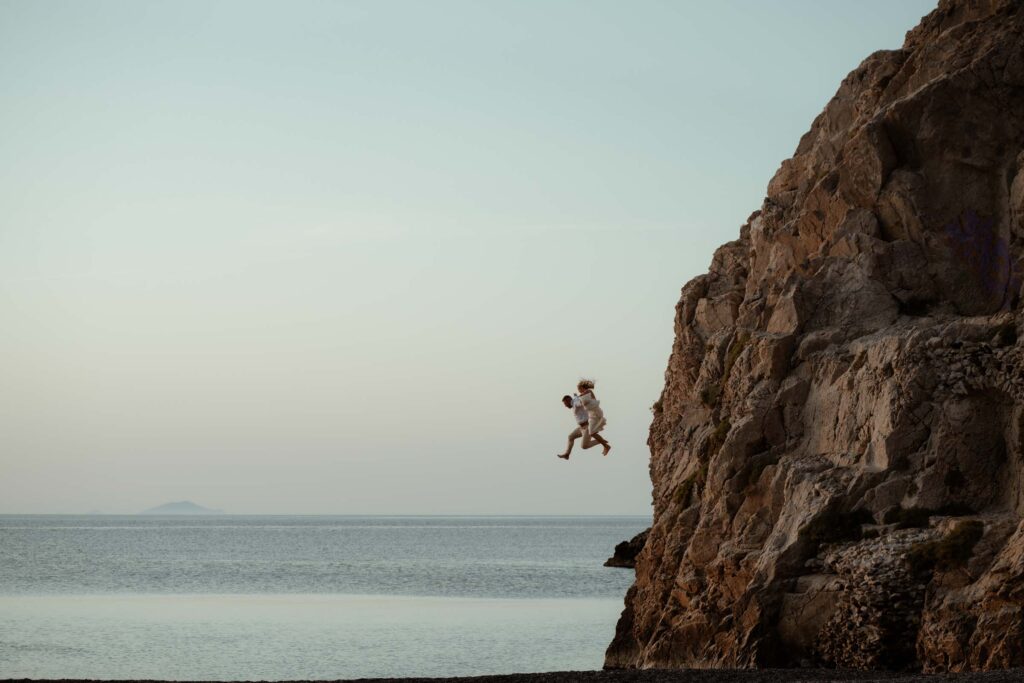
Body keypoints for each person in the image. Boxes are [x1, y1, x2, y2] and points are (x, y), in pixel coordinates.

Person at [576, 379, 611, 456]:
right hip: (591, 415)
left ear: (582, 387)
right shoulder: (583, 396)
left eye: (579, 389)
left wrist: (579, 397)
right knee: (592, 432)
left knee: (592, 432)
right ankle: (605, 445)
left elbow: (584, 394)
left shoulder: (588, 391)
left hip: (596, 413)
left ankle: (606, 446)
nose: (579, 391)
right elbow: (580, 403)